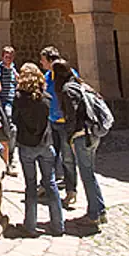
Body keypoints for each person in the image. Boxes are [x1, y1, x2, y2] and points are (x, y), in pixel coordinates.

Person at [10, 63, 64, 237]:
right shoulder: (46, 98)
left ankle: (30, 226)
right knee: (51, 184)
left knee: (31, 186)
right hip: (45, 145)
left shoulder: (19, 98)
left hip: (27, 146)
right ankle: (58, 225)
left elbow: (15, 119)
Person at [60, 69, 108, 228]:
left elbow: (73, 117)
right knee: (90, 174)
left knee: (87, 176)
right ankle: (100, 210)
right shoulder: (83, 86)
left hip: (82, 136)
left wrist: (70, 138)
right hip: (94, 134)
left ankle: (94, 215)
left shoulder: (68, 90)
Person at [40, 46, 76, 209]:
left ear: (49, 60)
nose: (41, 63)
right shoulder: (47, 76)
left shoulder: (68, 74)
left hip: (66, 124)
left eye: (43, 60)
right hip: (52, 121)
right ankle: (47, 185)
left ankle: (71, 191)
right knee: (50, 156)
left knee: (68, 158)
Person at [0, 46, 20, 175]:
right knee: (9, 126)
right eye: (7, 56)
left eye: (11, 56)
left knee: (13, 129)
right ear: (3, 57)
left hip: (14, 101)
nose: (9, 58)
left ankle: (9, 154)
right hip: (4, 102)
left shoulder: (13, 69)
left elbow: (15, 84)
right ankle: (8, 156)